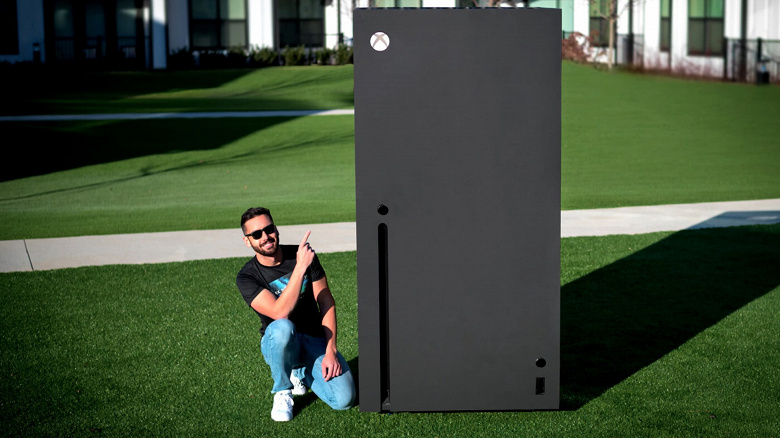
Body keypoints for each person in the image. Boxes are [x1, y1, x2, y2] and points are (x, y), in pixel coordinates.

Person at [235, 207, 355, 422]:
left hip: (314, 338)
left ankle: (300, 372)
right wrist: (300, 268)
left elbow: (326, 300)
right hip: (280, 342)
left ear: (276, 229)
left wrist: (331, 350)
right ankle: (283, 389)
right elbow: (279, 312)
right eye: (256, 234)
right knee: (283, 327)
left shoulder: (302, 255)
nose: (265, 237)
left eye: (269, 229)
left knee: (344, 399)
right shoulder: (247, 277)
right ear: (247, 241)